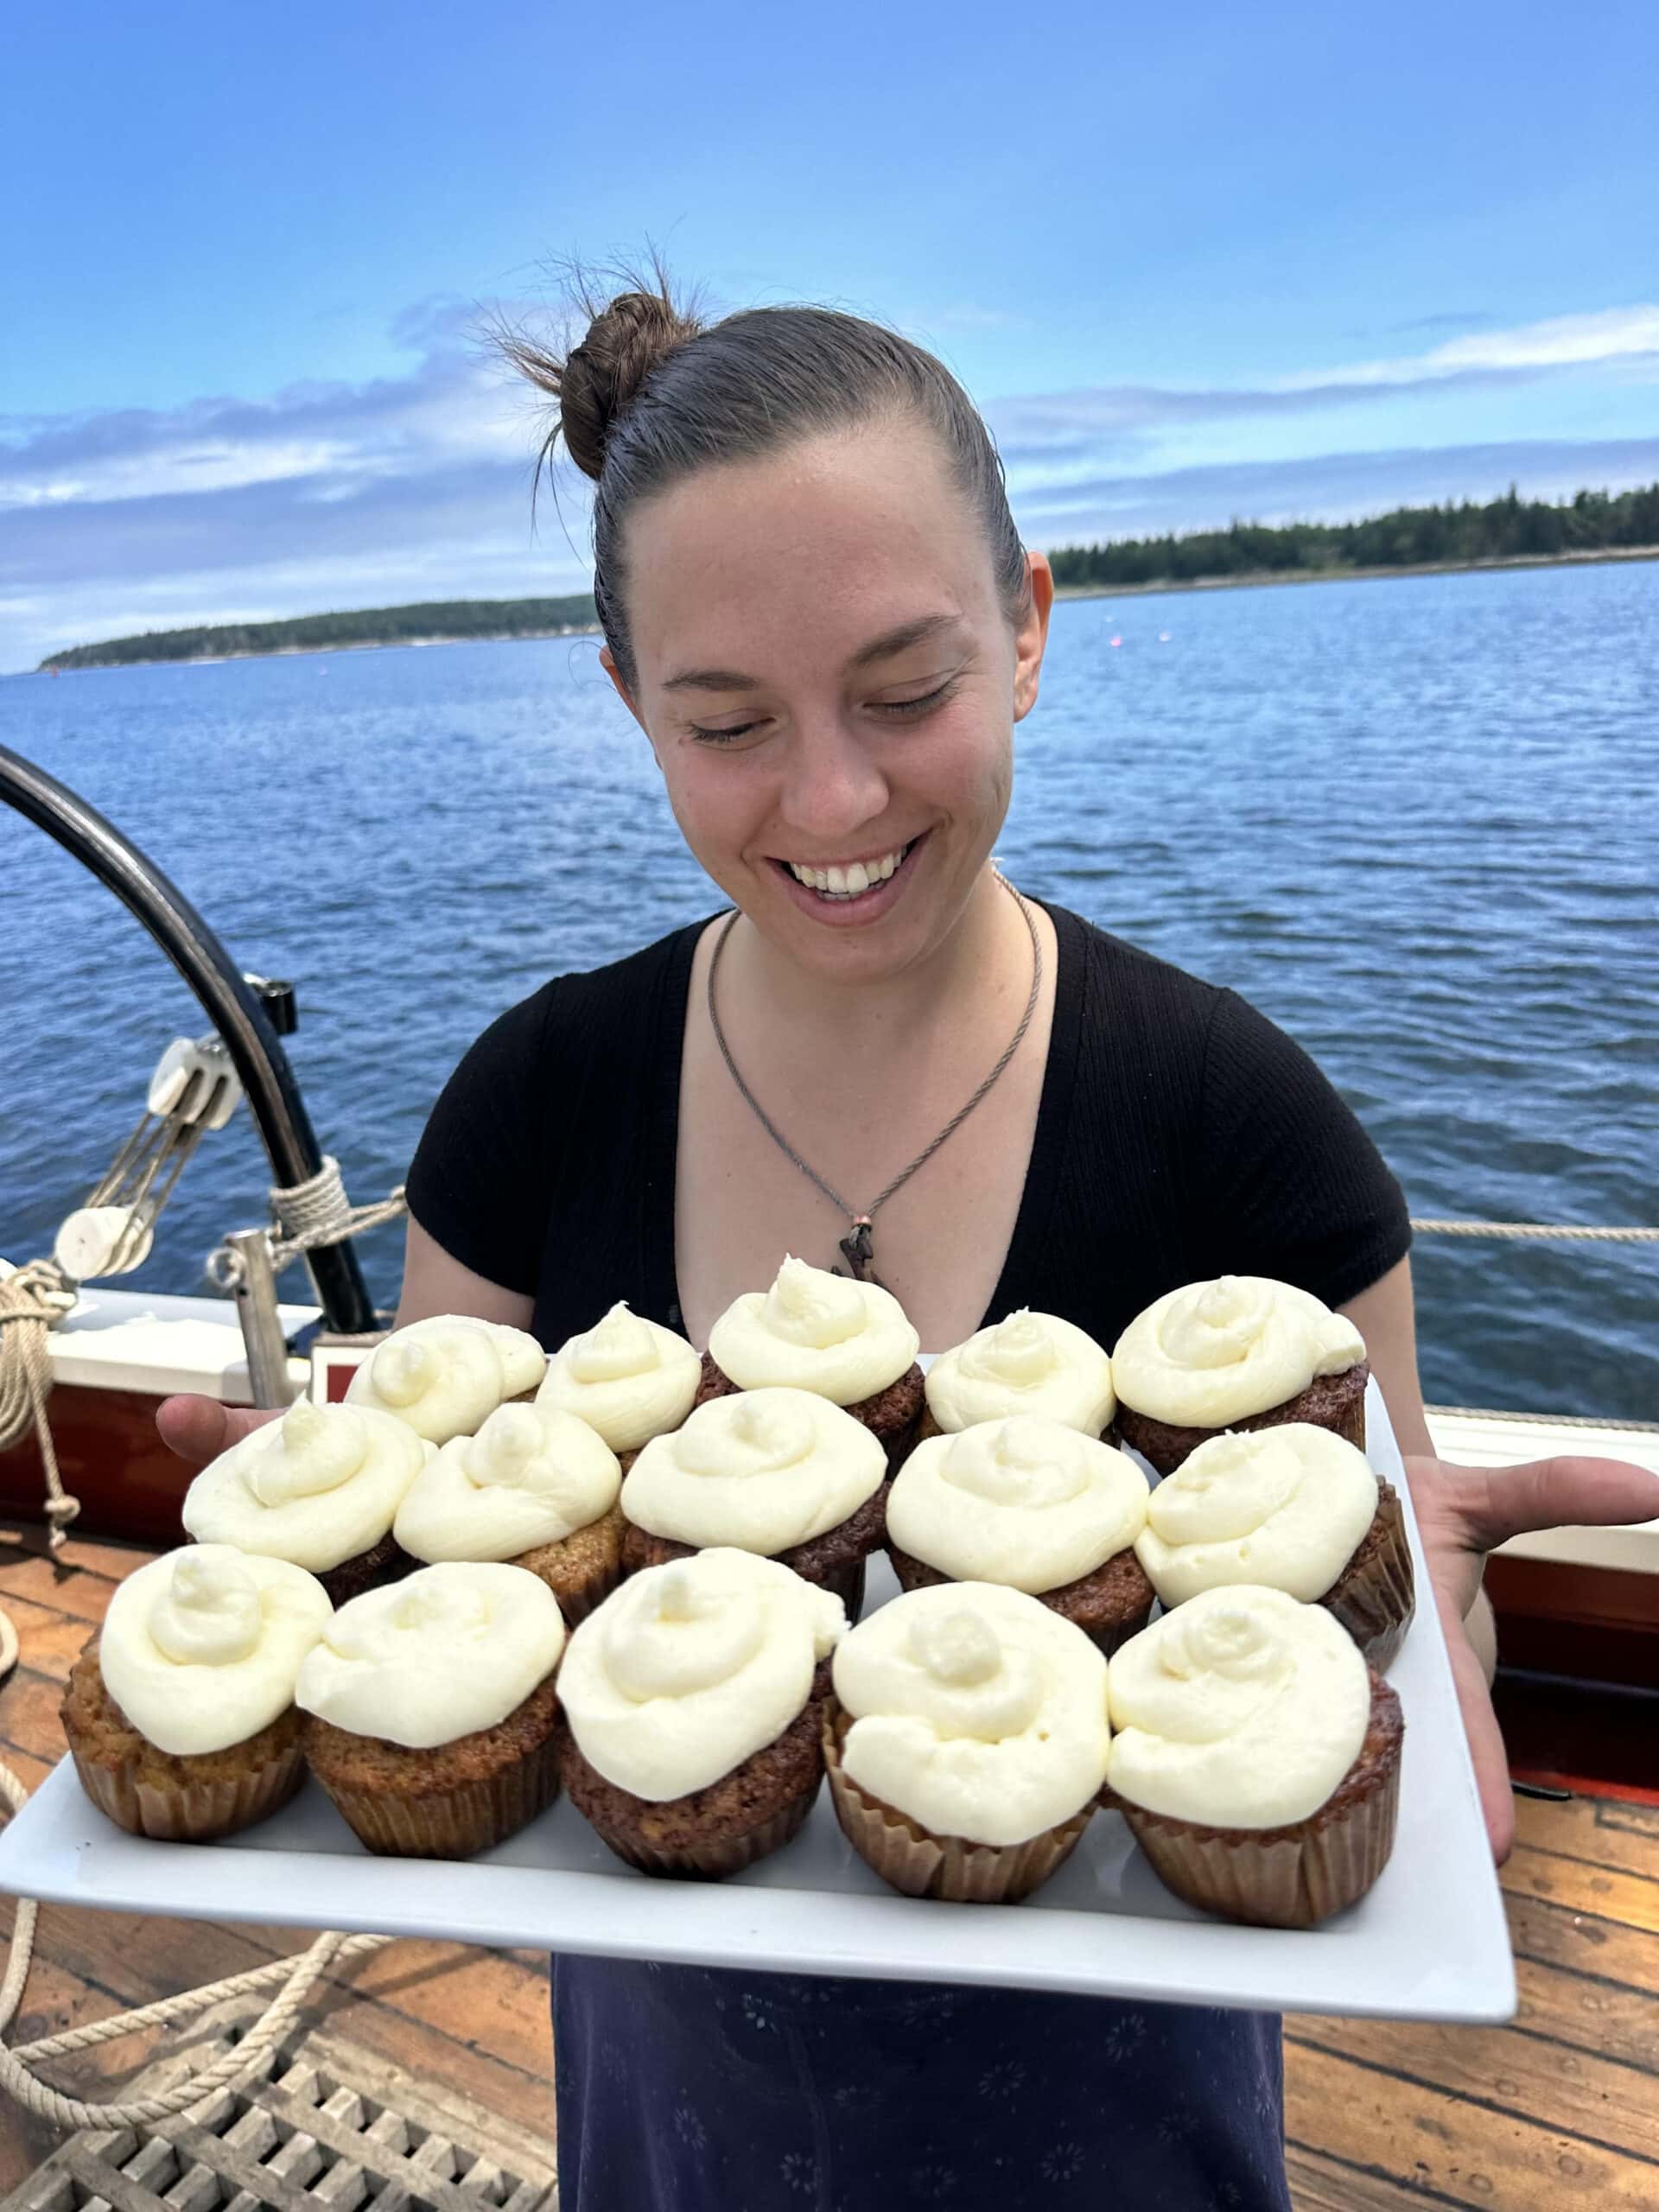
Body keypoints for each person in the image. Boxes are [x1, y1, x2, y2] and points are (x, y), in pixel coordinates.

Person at [159, 272, 1659, 2212]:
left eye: (906, 687)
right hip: (666, 2121)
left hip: (1125, 2141)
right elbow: (455, 1596)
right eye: (728, 720)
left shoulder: (1242, 1128)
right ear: (629, 702)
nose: (836, 799)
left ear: (1030, 629)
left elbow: (1365, 1608)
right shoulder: (535, 1102)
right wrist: (307, 1542)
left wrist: (1420, 1600)